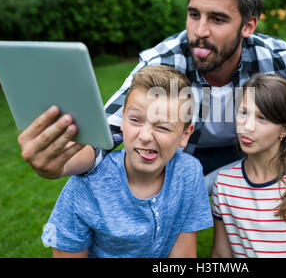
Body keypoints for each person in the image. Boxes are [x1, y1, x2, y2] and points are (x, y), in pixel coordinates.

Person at [17, 0, 286, 182]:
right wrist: (61, 164)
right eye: (194, 15)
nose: (200, 31)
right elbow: (106, 134)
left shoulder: (276, 59)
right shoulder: (163, 61)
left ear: (248, 26)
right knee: (105, 176)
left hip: (257, 153)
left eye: (217, 19)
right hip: (187, 159)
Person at [41, 66, 213, 257]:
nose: (145, 136)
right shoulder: (88, 185)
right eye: (135, 120)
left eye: (163, 127)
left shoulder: (189, 173)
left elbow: (183, 254)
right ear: (122, 119)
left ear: (185, 134)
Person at [210, 73, 286, 258]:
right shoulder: (224, 184)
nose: (247, 126)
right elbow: (221, 255)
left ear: (285, 129)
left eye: (262, 118)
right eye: (243, 112)